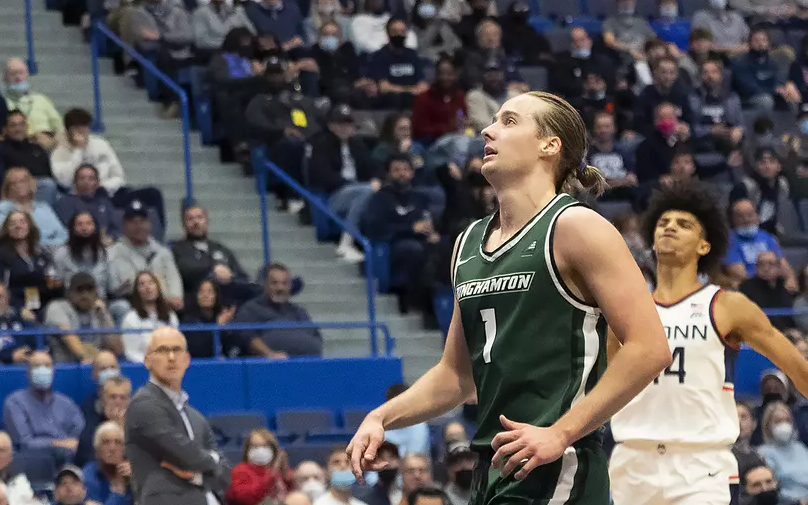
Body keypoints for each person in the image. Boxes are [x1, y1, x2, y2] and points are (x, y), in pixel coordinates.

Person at [349, 93, 673, 505]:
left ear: (549, 145)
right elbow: (455, 376)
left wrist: (562, 432)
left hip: (557, 465)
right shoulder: (467, 242)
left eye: (509, 121)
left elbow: (650, 347)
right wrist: (381, 417)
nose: (488, 129)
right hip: (491, 465)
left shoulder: (576, 226)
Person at [610, 182, 808, 505]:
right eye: (663, 223)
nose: (669, 227)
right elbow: (608, 391)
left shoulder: (728, 305)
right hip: (635, 466)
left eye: (683, 224)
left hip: (702, 467)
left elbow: (798, 370)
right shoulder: (625, 312)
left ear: (704, 246)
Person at [125, 326, 230, 505]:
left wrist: (197, 477)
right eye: (163, 350)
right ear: (147, 360)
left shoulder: (196, 417)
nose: (171, 357)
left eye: (177, 350)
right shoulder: (143, 405)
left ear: (187, 359)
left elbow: (226, 474)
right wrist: (212, 460)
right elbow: (186, 455)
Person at [229, 263, 323, 359]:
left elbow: (315, 336)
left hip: (304, 366)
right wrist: (270, 354)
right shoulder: (250, 309)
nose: (280, 288)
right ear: (266, 285)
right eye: (274, 283)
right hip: (266, 367)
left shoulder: (299, 311)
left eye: (284, 283)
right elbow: (246, 337)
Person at [4, 350, 85, 456]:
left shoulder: (66, 403)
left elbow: (80, 434)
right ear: (28, 373)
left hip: (67, 459)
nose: (42, 370)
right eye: (37, 366)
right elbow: (24, 443)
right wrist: (57, 444)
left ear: (53, 371)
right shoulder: (15, 402)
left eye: (47, 366)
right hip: (33, 459)